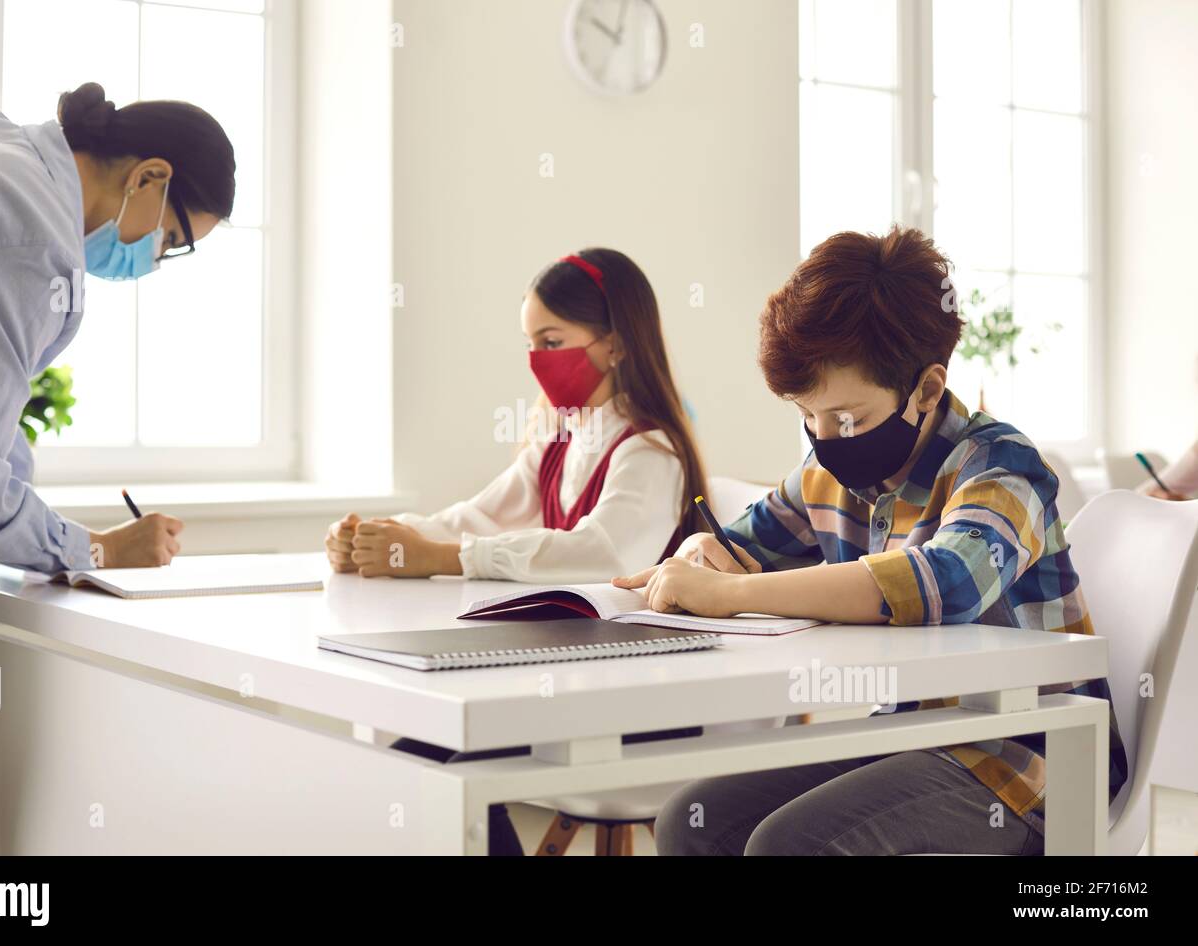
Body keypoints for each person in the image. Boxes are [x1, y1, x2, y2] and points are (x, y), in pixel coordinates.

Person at [615, 227, 1128, 855]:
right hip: (910, 733)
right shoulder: (825, 476)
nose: (825, 436)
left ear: (927, 390)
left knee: (787, 844)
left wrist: (729, 594)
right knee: (692, 818)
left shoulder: (1000, 465)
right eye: (807, 415)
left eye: (847, 418)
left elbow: (948, 582)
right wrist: (701, 558)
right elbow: (738, 545)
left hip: (1029, 757)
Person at [0, 81, 236, 854]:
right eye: (175, 241)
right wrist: (94, 550)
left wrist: (56, 532)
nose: (157, 260)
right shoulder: (29, 237)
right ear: (150, 177)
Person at [326, 248, 709, 854]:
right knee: (418, 765)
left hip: (640, 700)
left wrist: (440, 557)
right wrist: (383, 534)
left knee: (429, 769)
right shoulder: (562, 437)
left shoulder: (650, 450)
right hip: (571, 682)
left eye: (552, 340)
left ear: (615, 342)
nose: (538, 361)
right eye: (530, 342)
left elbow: (601, 552)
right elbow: (478, 513)